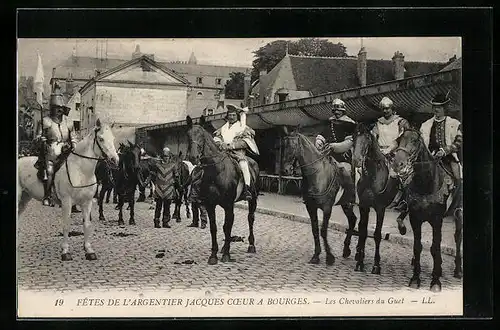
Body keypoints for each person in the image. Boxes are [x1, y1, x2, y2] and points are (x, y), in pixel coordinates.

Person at [36, 84, 78, 207]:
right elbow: (37, 137)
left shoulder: (68, 123)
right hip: (51, 152)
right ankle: (47, 196)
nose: (59, 110)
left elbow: (73, 136)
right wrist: (41, 139)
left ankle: (73, 199)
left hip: (66, 152)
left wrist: (74, 144)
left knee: (75, 171)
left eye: (60, 107)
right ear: (51, 108)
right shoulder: (45, 121)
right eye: (56, 107)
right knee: (49, 172)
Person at [371, 96, 411, 211]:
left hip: (397, 153)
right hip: (380, 152)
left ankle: (402, 200)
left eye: (387, 108)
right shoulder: (379, 123)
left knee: (400, 175)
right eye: (383, 109)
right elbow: (374, 137)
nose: (385, 111)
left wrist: (391, 150)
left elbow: (405, 138)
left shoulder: (401, 122)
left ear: (392, 109)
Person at [213, 104, 260, 201]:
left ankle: (247, 188)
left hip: (237, 154)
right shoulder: (223, 128)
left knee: (244, 165)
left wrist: (231, 146)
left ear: (237, 116)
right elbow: (216, 138)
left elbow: (246, 141)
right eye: (230, 115)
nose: (231, 117)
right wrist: (220, 144)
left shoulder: (242, 127)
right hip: (223, 153)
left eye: (233, 115)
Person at [420, 92, 462, 184]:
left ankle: (457, 195)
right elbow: (421, 144)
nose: (436, 109)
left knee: (457, 178)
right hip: (430, 158)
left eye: (439, 107)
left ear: (445, 108)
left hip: (448, 158)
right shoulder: (425, 125)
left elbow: (459, 142)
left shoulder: (455, 124)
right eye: (434, 107)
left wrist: (445, 150)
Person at [315, 98, 357, 178]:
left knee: (346, 173)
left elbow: (349, 142)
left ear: (343, 111)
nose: (337, 112)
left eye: (339, 110)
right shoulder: (330, 122)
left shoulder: (350, 125)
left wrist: (334, 146)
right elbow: (323, 134)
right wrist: (319, 141)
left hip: (344, 157)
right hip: (328, 156)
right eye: (335, 110)